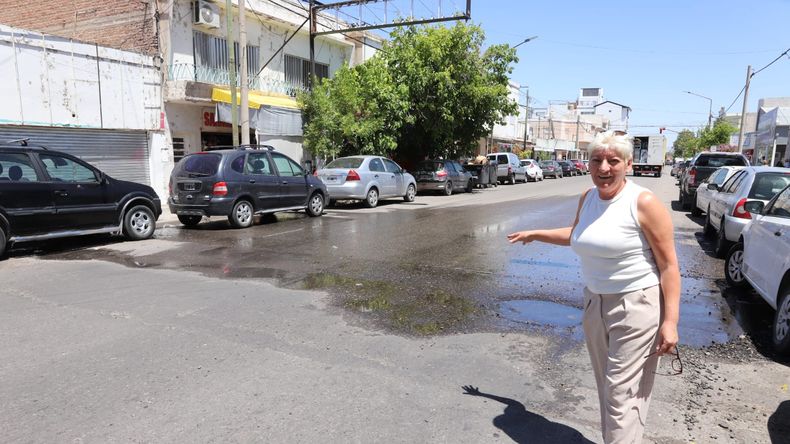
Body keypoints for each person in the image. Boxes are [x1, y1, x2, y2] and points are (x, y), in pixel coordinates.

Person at [507, 130, 680, 444]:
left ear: (628, 164)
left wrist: (670, 322)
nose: (604, 168)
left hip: (636, 307)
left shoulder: (643, 202)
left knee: (619, 391)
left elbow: (669, 266)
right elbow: (577, 234)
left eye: (613, 161)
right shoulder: (587, 198)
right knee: (608, 388)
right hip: (594, 305)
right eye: (597, 160)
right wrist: (536, 233)